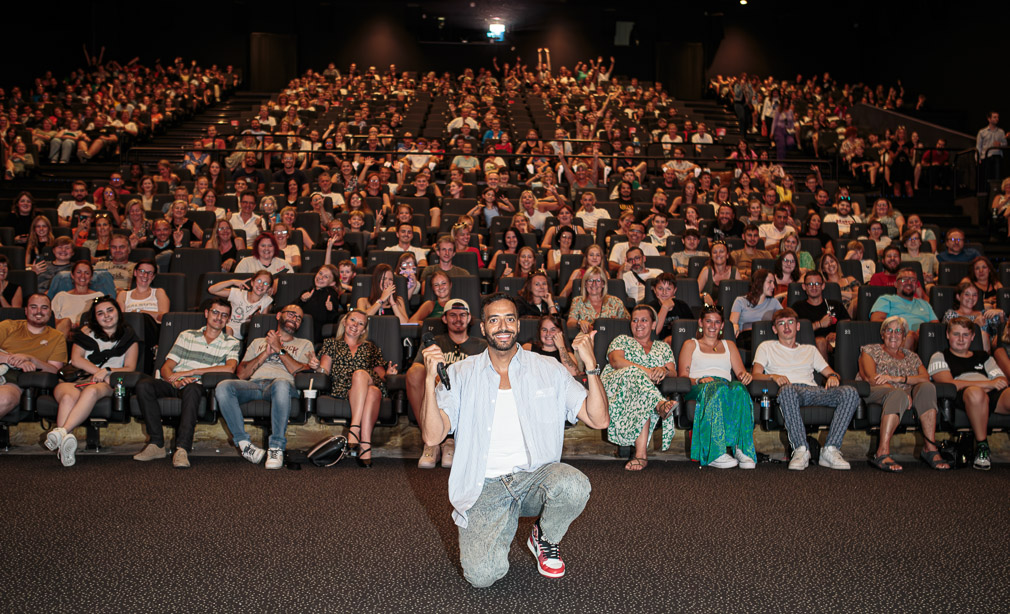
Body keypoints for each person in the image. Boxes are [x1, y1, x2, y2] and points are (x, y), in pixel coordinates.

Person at [418, 293, 607, 587]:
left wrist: (591, 365)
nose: (502, 326)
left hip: (534, 478)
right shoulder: (461, 373)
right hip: (485, 486)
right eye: (494, 319)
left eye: (509, 319)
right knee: (482, 577)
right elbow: (432, 435)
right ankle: (501, 523)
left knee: (573, 485)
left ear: (518, 325)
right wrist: (430, 381)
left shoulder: (549, 370)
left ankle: (544, 537)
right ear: (483, 328)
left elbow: (599, 420)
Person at [132, 298, 240, 468]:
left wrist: (191, 373)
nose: (219, 317)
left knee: (193, 388)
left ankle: (182, 448)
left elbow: (230, 368)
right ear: (207, 313)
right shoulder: (187, 335)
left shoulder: (231, 343)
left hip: (198, 385)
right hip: (175, 381)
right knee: (144, 385)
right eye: (215, 312)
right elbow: (167, 367)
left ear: (228, 319)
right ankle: (157, 444)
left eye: (224, 315)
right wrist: (175, 380)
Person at [751, 308, 858, 470]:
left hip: (814, 390)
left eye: (790, 322)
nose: (786, 327)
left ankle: (830, 449)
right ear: (775, 329)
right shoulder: (766, 347)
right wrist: (772, 376)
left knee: (850, 392)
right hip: (790, 390)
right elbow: (756, 375)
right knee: (787, 391)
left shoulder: (810, 349)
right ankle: (801, 449)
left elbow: (831, 372)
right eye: (781, 324)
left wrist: (833, 377)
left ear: (798, 326)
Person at [216, 305, 317, 469]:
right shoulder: (258, 342)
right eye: (291, 314)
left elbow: (298, 370)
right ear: (279, 315)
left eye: (299, 318)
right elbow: (241, 374)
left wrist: (279, 349)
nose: (295, 319)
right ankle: (244, 445)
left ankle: (276, 447)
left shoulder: (305, 344)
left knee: (281, 384)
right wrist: (265, 353)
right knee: (223, 386)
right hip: (254, 385)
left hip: (282, 386)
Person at [41, 297, 139, 467]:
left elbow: (130, 367)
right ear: (95, 317)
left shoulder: (129, 336)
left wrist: (107, 372)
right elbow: (76, 360)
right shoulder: (86, 332)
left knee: (92, 391)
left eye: (110, 310)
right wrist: (98, 372)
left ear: (118, 312)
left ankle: (62, 432)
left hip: (108, 382)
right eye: (100, 313)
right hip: (77, 378)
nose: (106, 316)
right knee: (67, 397)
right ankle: (65, 447)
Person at [858, 316, 948, 472]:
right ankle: (882, 452)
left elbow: (925, 377)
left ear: (904, 336)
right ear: (882, 334)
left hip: (905, 390)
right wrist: (897, 388)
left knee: (927, 387)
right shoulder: (870, 350)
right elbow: (872, 378)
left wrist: (899, 379)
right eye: (889, 330)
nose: (894, 335)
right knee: (897, 394)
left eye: (899, 331)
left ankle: (930, 449)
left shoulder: (912, 356)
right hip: (877, 389)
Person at [407, 298, 487, 469]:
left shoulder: (481, 345)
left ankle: (450, 441)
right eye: (453, 315)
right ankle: (431, 441)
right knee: (414, 373)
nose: (458, 319)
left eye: (462, 315)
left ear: (469, 318)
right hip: (437, 391)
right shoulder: (434, 343)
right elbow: (416, 367)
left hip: (467, 393)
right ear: (444, 318)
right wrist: (434, 375)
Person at [601, 304, 678, 470]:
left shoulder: (663, 347)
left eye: (644, 320)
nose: (638, 324)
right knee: (633, 372)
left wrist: (663, 370)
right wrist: (648, 372)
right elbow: (616, 362)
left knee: (642, 398)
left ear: (653, 325)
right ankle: (660, 405)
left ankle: (641, 456)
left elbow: (673, 372)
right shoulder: (622, 340)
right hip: (617, 385)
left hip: (642, 393)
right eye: (635, 320)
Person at [927, 316, 1010, 471]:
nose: (960, 339)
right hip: (964, 398)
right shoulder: (939, 356)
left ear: (972, 337)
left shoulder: (983, 356)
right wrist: (988, 384)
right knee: (975, 393)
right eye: (956, 334)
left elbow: (1002, 380)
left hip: (991, 395)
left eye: (965, 335)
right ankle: (982, 447)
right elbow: (950, 384)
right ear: (947, 335)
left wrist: (989, 386)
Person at [678, 305, 755, 469]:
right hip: (699, 386)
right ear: (701, 323)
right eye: (708, 321)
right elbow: (683, 377)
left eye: (717, 322)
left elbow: (740, 373)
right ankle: (715, 452)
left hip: (724, 386)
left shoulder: (729, 345)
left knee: (740, 389)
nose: (712, 326)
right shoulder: (691, 344)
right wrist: (699, 380)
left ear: (722, 325)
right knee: (716, 389)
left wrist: (745, 376)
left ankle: (741, 448)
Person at [318, 309, 396, 468]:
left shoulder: (370, 347)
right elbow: (324, 371)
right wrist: (316, 367)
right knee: (372, 391)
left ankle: (354, 429)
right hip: (343, 386)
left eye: (361, 324)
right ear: (345, 322)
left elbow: (380, 374)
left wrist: (388, 373)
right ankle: (365, 445)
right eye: (353, 320)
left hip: (368, 380)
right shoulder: (331, 343)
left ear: (364, 330)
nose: (355, 325)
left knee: (363, 378)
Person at [0, 294, 68, 420]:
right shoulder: (8, 326)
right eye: (33, 307)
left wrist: (32, 359)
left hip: (16, 380)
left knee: (3, 399)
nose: (38, 312)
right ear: (26, 310)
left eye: (44, 308)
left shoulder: (56, 337)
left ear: (50, 312)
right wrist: (14, 360)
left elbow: (55, 370)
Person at [869, 267, 939, 350]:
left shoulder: (924, 304)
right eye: (904, 280)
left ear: (916, 285)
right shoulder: (886, 299)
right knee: (910, 336)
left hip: (924, 341)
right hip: (896, 339)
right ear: (895, 284)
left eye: (913, 280)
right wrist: (901, 330)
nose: (909, 282)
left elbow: (936, 325)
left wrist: (924, 331)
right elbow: (876, 321)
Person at [792, 271, 850, 360]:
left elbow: (848, 326)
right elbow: (794, 330)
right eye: (810, 284)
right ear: (804, 287)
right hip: (807, 346)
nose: (814, 287)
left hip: (835, 345)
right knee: (820, 341)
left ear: (823, 286)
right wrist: (819, 324)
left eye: (817, 284)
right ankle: (827, 374)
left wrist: (837, 333)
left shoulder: (836, 305)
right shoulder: (797, 307)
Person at [208, 270, 274, 339]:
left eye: (266, 283)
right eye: (259, 281)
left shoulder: (266, 300)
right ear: (252, 282)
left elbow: (261, 324)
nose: (261, 285)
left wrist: (256, 318)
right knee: (229, 330)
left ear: (269, 288)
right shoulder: (238, 293)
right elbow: (212, 290)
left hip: (245, 334)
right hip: (226, 330)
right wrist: (233, 281)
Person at [942, 281, 1003, 351]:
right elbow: (950, 336)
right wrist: (975, 325)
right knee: (983, 335)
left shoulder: (984, 314)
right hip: (960, 348)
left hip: (986, 350)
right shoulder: (951, 315)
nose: (971, 297)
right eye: (967, 294)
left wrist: (1001, 314)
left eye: (974, 295)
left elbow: (1001, 335)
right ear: (958, 297)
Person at [566, 266, 629, 333]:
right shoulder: (577, 301)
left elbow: (627, 322)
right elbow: (570, 323)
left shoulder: (616, 301)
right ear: (585, 284)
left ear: (603, 284)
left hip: (611, 338)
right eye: (590, 280)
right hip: (587, 339)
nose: (594, 284)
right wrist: (579, 323)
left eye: (598, 281)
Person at [730, 269, 781, 350]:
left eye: (773, 283)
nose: (773, 286)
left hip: (767, 339)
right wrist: (735, 326)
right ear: (759, 282)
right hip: (746, 339)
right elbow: (732, 323)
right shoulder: (740, 301)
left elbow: (783, 320)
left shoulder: (774, 302)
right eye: (770, 282)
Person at [52, 261, 104, 335]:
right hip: (64, 332)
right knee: (65, 322)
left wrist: (79, 324)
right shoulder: (61, 296)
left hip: (87, 331)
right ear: (72, 275)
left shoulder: (98, 296)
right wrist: (69, 325)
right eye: (79, 272)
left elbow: (102, 317)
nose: (82, 276)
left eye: (87, 273)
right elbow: (51, 319)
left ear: (91, 277)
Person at [296, 264, 342, 341]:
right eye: (320, 273)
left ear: (332, 283)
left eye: (326, 277)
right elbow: (294, 308)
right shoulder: (309, 291)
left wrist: (330, 310)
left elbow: (333, 320)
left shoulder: (330, 295)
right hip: (299, 326)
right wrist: (302, 300)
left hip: (313, 333)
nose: (321, 277)